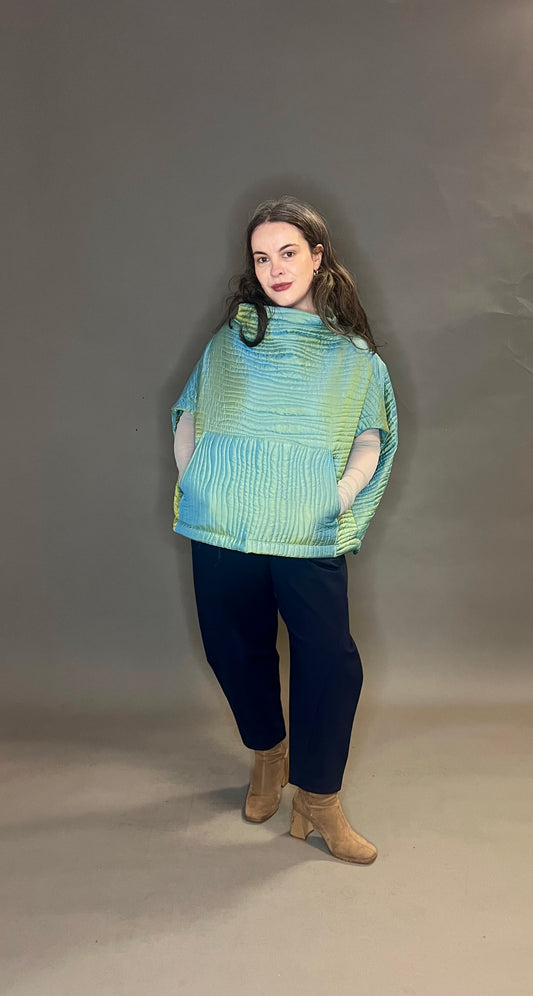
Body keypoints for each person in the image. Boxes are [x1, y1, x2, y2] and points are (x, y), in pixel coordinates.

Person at [171, 195, 398, 864]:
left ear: (318, 257)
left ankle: (318, 800)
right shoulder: (230, 342)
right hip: (223, 528)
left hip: (304, 531)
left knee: (329, 661)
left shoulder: (351, 356)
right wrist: (198, 482)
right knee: (231, 648)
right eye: (261, 257)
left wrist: (333, 498)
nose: (274, 268)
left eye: (288, 252)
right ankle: (269, 753)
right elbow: (192, 413)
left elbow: (369, 434)